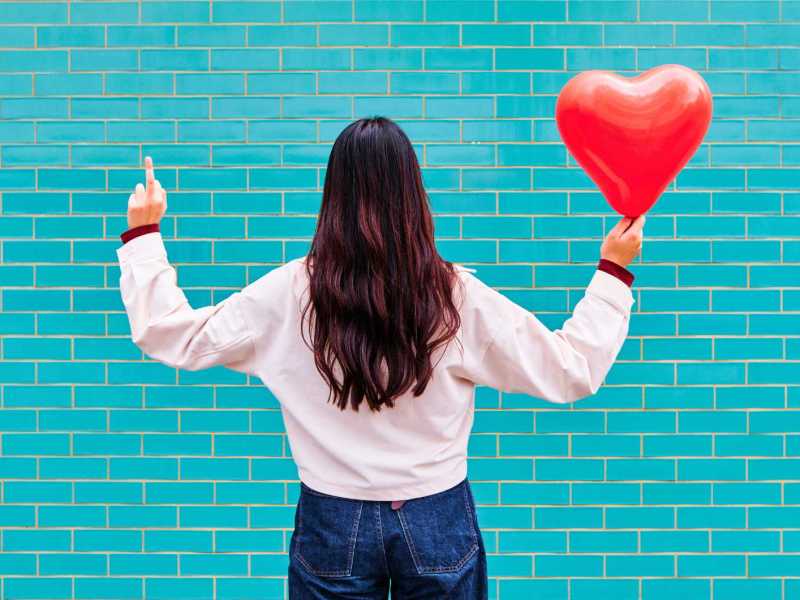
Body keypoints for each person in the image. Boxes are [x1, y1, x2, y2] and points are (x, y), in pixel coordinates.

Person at [116, 117, 645, 599]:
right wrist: (613, 273)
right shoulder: (456, 297)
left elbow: (171, 335)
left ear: (332, 195)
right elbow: (572, 369)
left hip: (332, 519)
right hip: (437, 516)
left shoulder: (288, 293)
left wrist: (144, 235)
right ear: (414, 194)